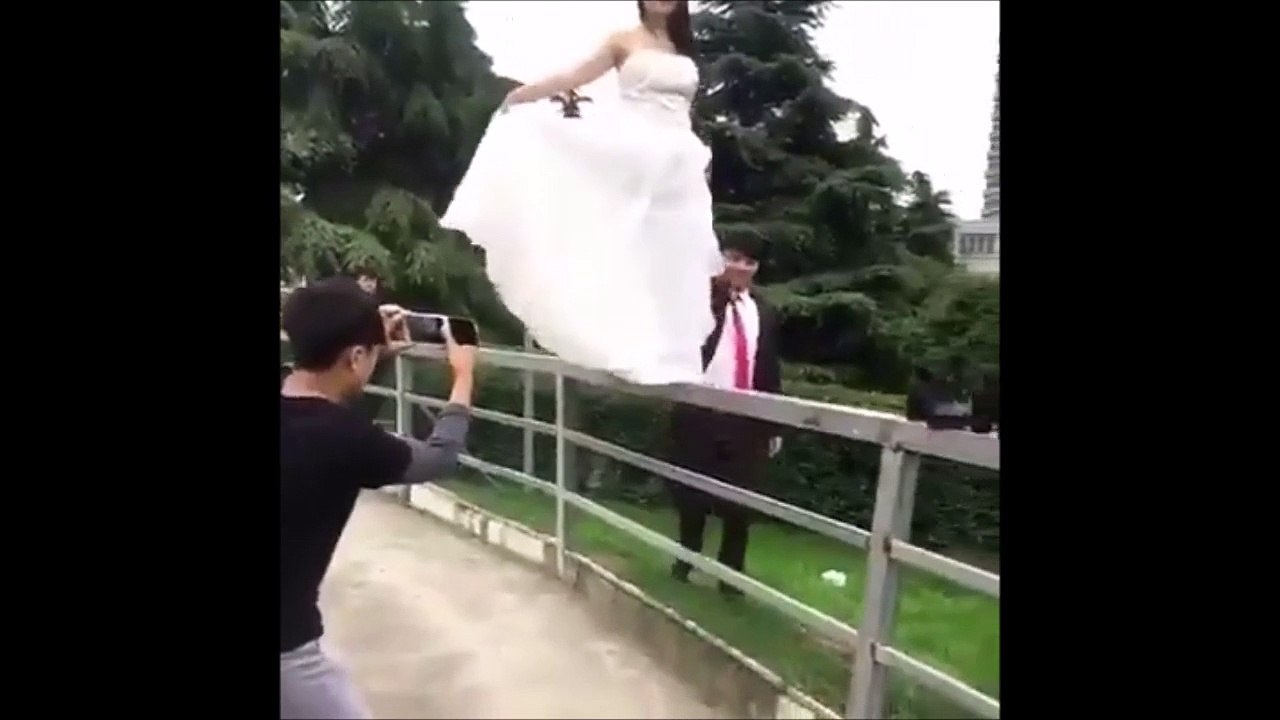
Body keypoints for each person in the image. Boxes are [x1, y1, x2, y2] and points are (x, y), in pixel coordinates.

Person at [440, 0, 723, 385]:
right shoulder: (623, 40)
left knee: (675, 252)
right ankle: (630, 346)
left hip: (679, 161)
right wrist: (524, 95)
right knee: (628, 245)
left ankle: (674, 356)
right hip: (636, 150)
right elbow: (575, 76)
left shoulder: (682, 47)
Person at [280, 277, 475, 719]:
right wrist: (462, 376)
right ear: (355, 357)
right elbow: (438, 457)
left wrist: (370, 349)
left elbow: (329, 413)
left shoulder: (331, 431)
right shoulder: (347, 442)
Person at [667, 237, 783, 597]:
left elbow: (769, 368)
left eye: (749, 262)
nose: (741, 267)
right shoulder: (704, 300)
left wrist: (774, 423)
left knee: (740, 501)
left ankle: (731, 576)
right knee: (691, 493)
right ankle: (686, 559)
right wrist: (716, 288)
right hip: (701, 413)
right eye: (734, 258)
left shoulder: (762, 310)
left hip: (745, 417)